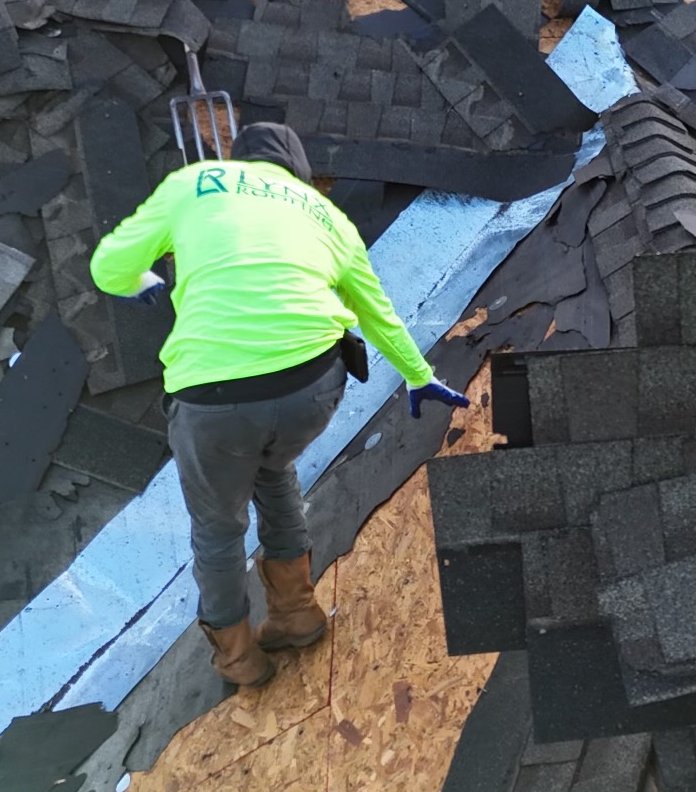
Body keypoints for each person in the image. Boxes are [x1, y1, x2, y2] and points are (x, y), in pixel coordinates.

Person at [90, 122, 469, 687]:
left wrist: (145, 279)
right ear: (297, 172)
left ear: (241, 161)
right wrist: (420, 376)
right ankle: (297, 613)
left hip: (214, 402)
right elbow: (377, 312)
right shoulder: (326, 215)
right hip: (311, 389)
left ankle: (240, 659)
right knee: (272, 465)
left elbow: (107, 267)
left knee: (218, 528)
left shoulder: (195, 183)